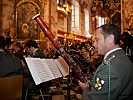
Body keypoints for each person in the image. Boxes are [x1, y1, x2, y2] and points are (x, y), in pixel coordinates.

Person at [79, 24, 133, 100]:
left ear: (110, 39)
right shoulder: (121, 57)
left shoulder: (109, 67)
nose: (94, 44)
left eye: (97, 40)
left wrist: (85, 89)